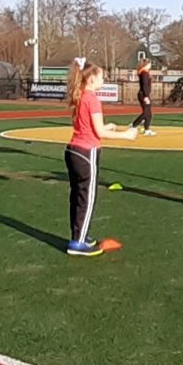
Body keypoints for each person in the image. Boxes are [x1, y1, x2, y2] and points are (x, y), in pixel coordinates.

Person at [64, 63, 139, 256]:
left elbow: (88, 125)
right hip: (87, 152)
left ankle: (80, 235)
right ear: (91, 79)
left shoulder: (79, 95)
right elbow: (98, 132)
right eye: (101, 77)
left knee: (77, 197)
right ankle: (78, 243)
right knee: (87, 199)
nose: (103, 81)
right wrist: (125, 135)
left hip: (73, 150)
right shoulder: (92, 99)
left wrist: (107, 126)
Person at [131, 59, 157, 135]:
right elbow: (145, 85)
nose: (151, 65)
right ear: (147, 64)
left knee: (148, 113)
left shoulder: (144, 72)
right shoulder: (144, 73)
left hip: (144, 94)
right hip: (144, 95)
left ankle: (144, 128)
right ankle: (135, 125)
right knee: (147, 113)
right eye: (150, 64)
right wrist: (146, 96)